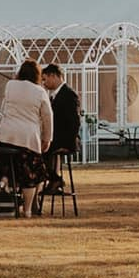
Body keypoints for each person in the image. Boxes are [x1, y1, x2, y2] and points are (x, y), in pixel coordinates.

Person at [0, 60, 55, 217]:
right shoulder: (40, 91)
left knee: (9, 160)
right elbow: (47, 116)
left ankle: (5, 178)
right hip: (28, 137)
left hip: (6, 134)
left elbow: (3, 107)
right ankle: (27, 209)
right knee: (32, 174)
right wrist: (47, 138)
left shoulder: (10, 85)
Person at [40, 64, 80, 195]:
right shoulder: (56, 95)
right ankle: (53, 179)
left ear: (53, 76)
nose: (43, 83)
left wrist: (66, 143)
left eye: (45, 79)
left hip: (65, 139)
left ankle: (54, 179)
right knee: (41, 148)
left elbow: (74, 122)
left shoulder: (69, 94)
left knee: (40, 150)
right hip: (58, 137)